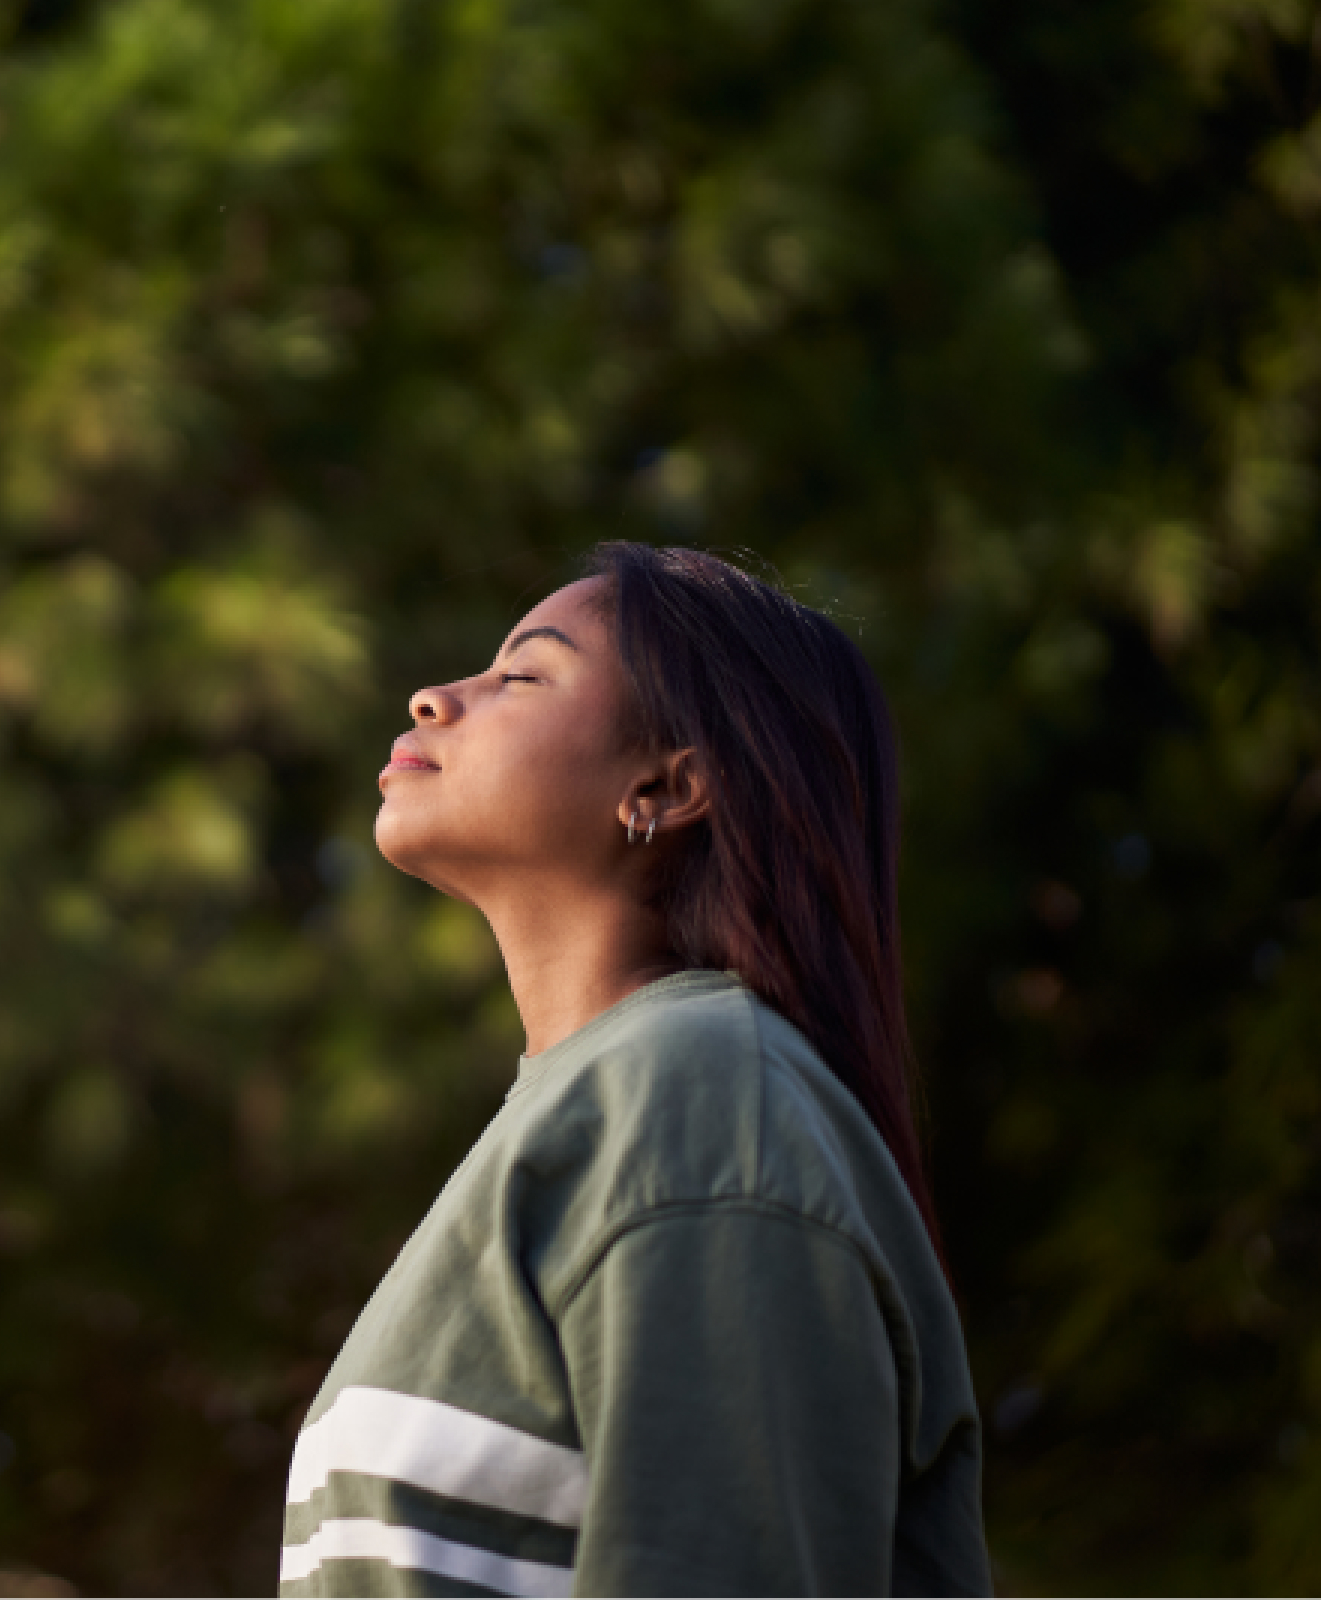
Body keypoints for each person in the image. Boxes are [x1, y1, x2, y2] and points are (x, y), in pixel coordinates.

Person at [278, 545, 989, 1598]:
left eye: (522, 675)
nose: (433, 698)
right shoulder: (601, 1110)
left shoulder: (702, 1101)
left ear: (666, 784)